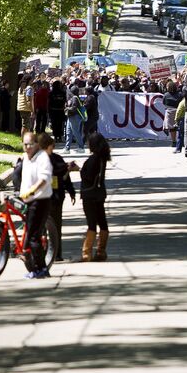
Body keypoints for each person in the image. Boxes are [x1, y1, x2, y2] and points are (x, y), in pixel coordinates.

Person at [19, 132, 53, 279]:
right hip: (28, 200)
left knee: (34, 236)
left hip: (40, 200)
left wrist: (33, 190)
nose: (27, 147)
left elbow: (44, 178)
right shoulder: (26, 157)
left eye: (30, 145)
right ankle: (26, 254)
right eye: (25, 144)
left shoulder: (42, 158)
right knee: (29, 231)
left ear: (37, 145)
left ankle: (41, 268)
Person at [38, 133, 76, 261]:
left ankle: (56, 253)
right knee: (45, 227)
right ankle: (45, 253)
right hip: (45, 197)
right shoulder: (40, 161)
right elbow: (60, 172)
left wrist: (71, 191)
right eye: (51, 146)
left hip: (55, 198)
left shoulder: (55, 159)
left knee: (54, 226)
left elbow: (65, 176)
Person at [80, 133, 111, 261]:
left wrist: (78, 169)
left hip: (89, 194)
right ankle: (101, 251)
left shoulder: (93, 159)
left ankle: (86, 253)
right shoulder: (102, 158)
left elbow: (88, 176)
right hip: (99, 194)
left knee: (91, 224)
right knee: (102, 222)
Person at [63, 85, 86, 154]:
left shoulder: (75, 98)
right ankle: (67, 148)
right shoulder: (72, 98)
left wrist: (67, 108)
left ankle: (81, 147)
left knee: (76, 132)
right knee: (68, 132)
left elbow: (74, 108)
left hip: (75, 117)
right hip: (70, 117)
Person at [163, 81, 183, 148]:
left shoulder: (166, 95)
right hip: (178, 111)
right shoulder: (180, 94)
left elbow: (164, 102)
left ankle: (174, 141)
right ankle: (181, 141)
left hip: (170, 112)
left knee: (172, 128)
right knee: (180, 127)